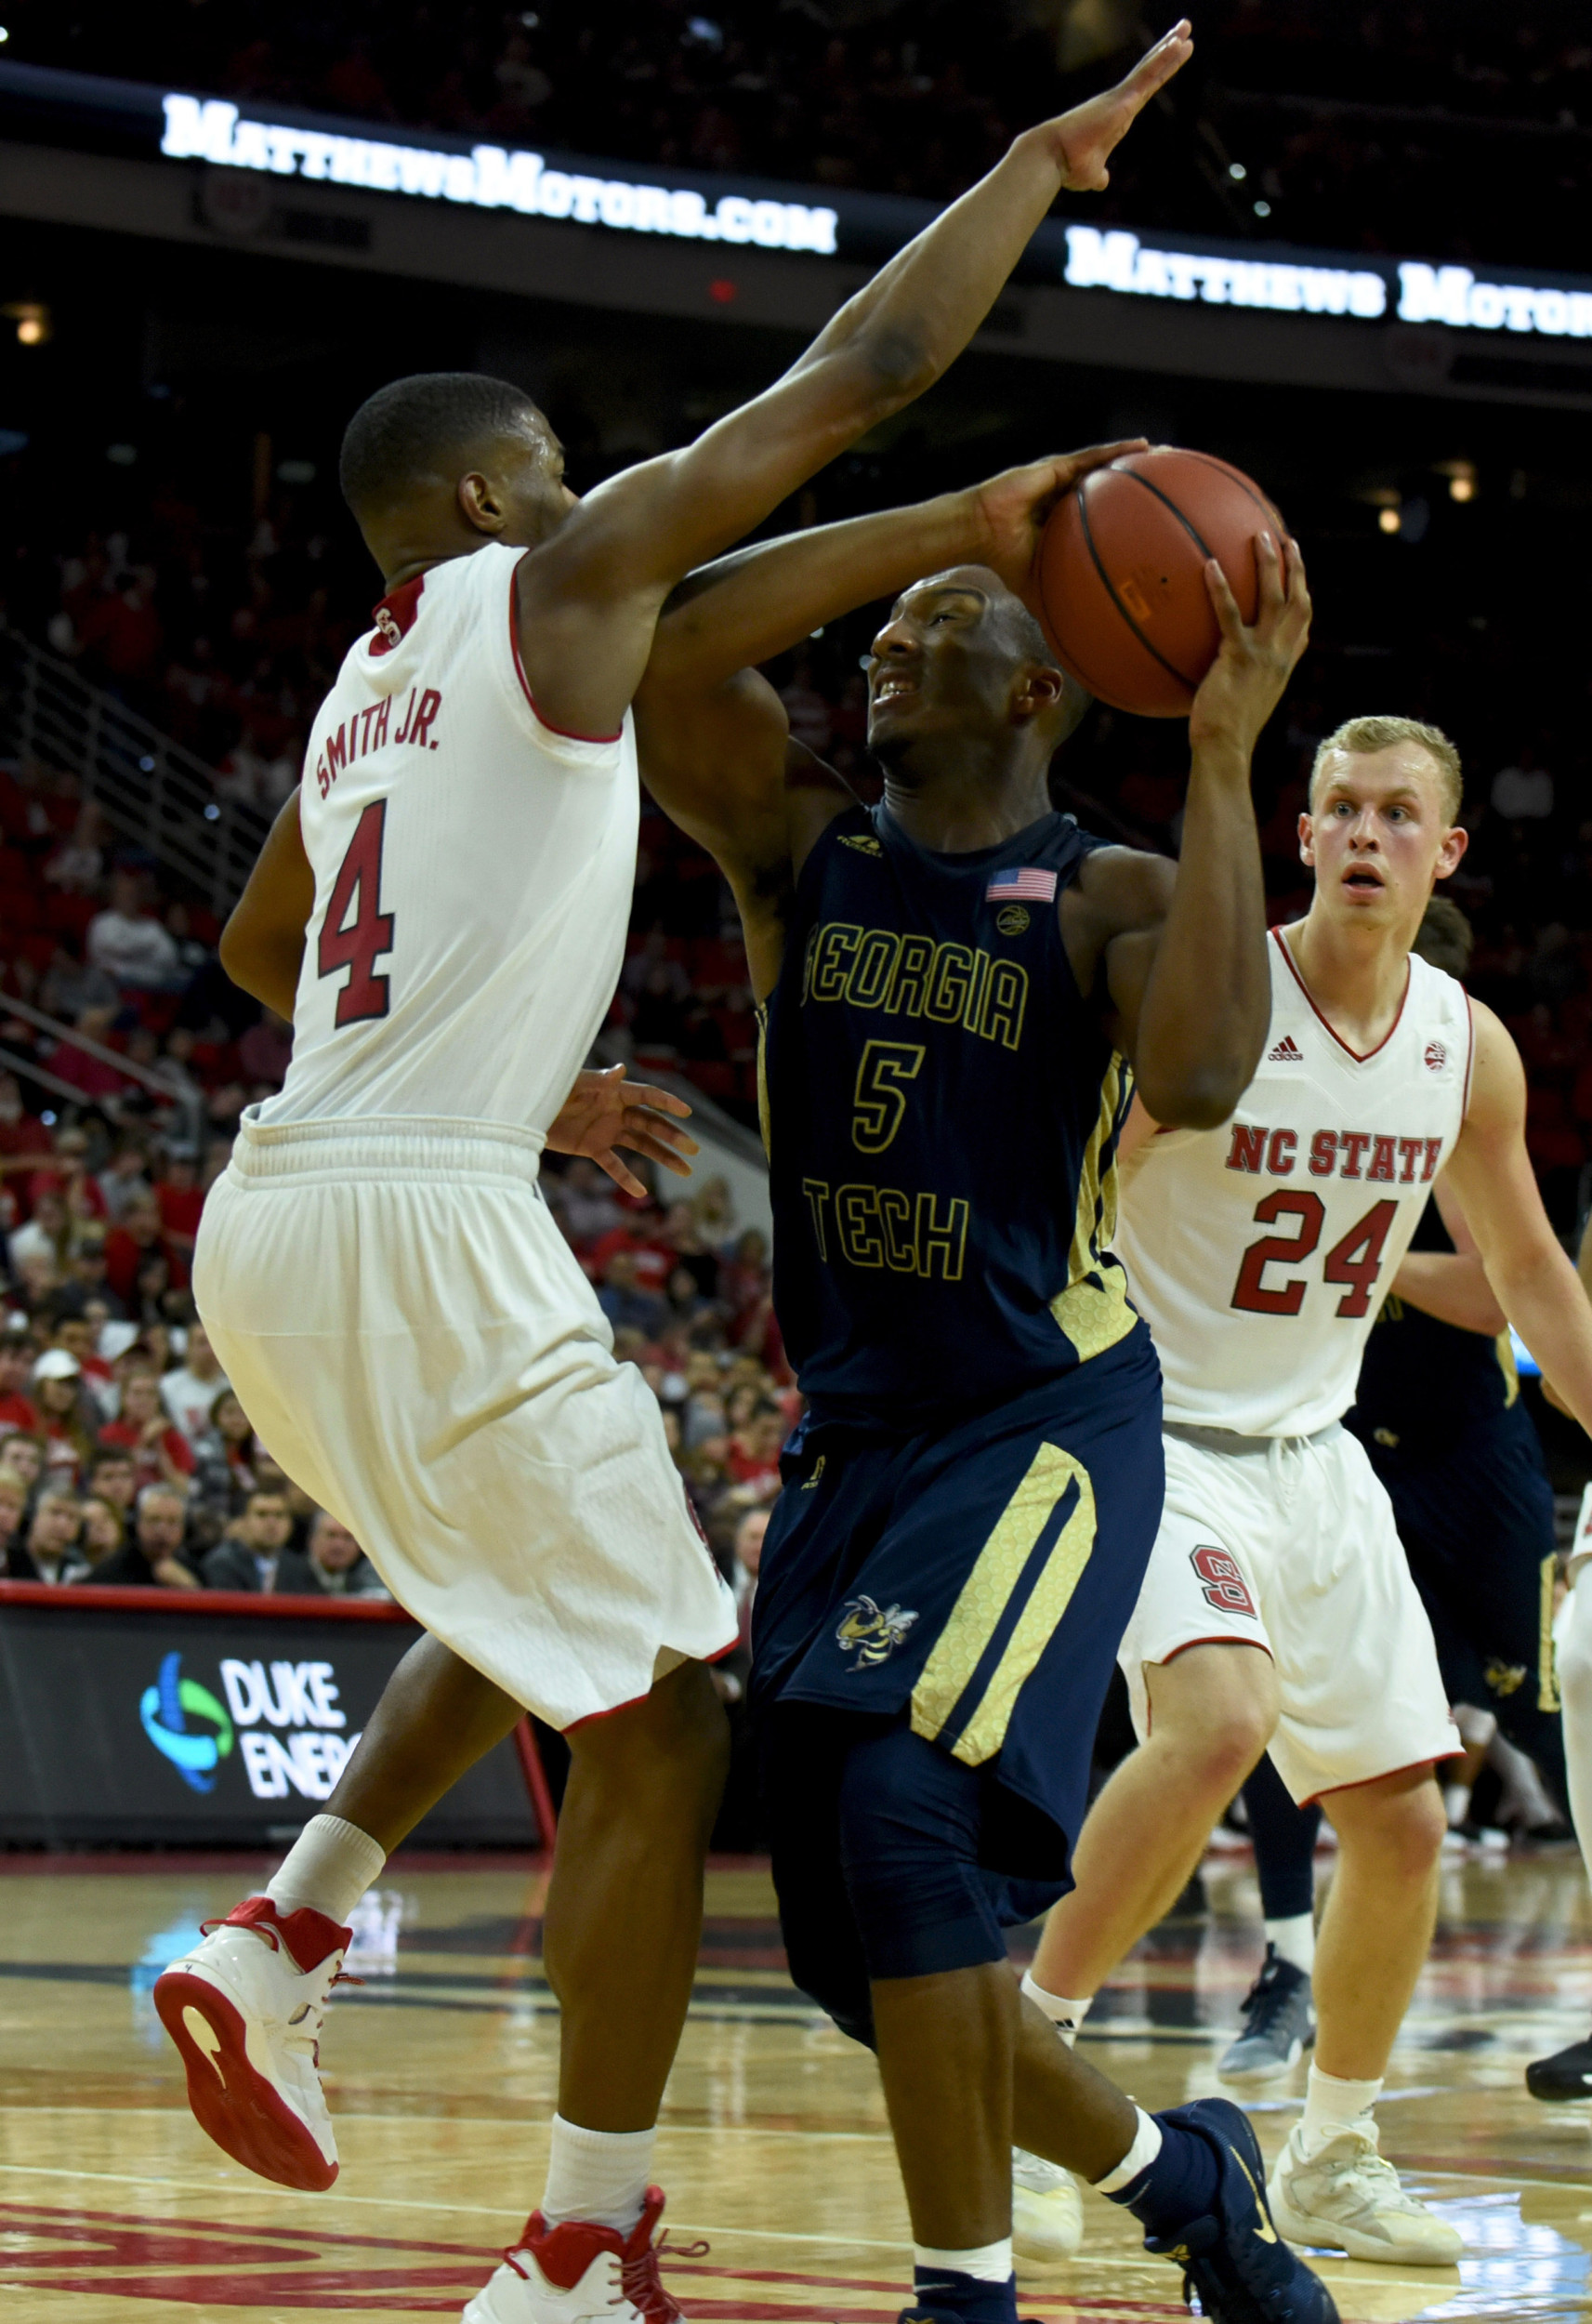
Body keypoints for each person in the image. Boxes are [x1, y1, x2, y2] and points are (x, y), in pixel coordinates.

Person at [151, 38, 1200, 2324]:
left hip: (282, 1208)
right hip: (413, 1211)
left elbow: (264, 949)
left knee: (553, 1632)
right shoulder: (545, 583)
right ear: (474, 505)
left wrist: (509, 1079)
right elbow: (855, 367)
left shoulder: (365, 689)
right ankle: (571, 2234)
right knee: (665, 1720)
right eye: (541, 476)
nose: (573, 500)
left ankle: (295, 1921)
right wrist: (1027, 167)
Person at [633, 453, 1325, 2319]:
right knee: (858, 1957)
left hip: (1036, 1418)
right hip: (855, 1431)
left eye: (930, 641)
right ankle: (1181, 2173)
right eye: (877, 639)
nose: (876, 655)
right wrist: (942, 530)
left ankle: (966, 2299)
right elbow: (663, 645)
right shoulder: (798, 841)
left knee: (902, 1819)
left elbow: (1194, 1076)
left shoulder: (1106, 889)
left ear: (1038, 689)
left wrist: (1219, 748)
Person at [1022, 714, 1592, 2268]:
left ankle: (1334, 2152)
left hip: (1314, 1454)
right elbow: (1068, 1176)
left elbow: (1527, 1272)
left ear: (1443, 851)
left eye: (1395, 813)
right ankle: (1022, 2058)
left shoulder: (1459, 1046)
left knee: (1403, 1826)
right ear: (1297, 832)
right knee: (1214, 1721)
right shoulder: (1219, 1000)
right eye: (1336, 806)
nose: (1361, 834)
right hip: (1151, 1428)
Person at [86, 1483, 200, 1588]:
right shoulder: (110, 1573)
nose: (162, 1530)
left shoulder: (193, 1569)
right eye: (154, 1520)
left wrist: (189, 1588)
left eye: (172, 1522)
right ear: (138, 1524)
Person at [202, 1490, 312, 1592]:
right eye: (262, 1514)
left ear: (290, 1525)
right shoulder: (222, 1564)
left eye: (279, 1515)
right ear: (243, 1521)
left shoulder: (300, 1569)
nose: (271, 1523)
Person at [160, 1317, 229, 1442]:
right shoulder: (167, 1386)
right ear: (188, 1348)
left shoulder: (231, 1388)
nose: (210, 1350)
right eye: (202, 1343)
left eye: (214, 1342)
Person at [304, 1509, 388, 1599]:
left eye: (348, 1537)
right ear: (312, 1539)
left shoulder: (362, 1583)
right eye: (331, 1535)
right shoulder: (291, 1578)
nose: (339, 1545)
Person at [14, 1489, 89, 1585]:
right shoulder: (7, 1564)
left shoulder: (80, 1572)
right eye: (55, 1513)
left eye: (71, 1517)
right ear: (33, 1517)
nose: (62, 1524)